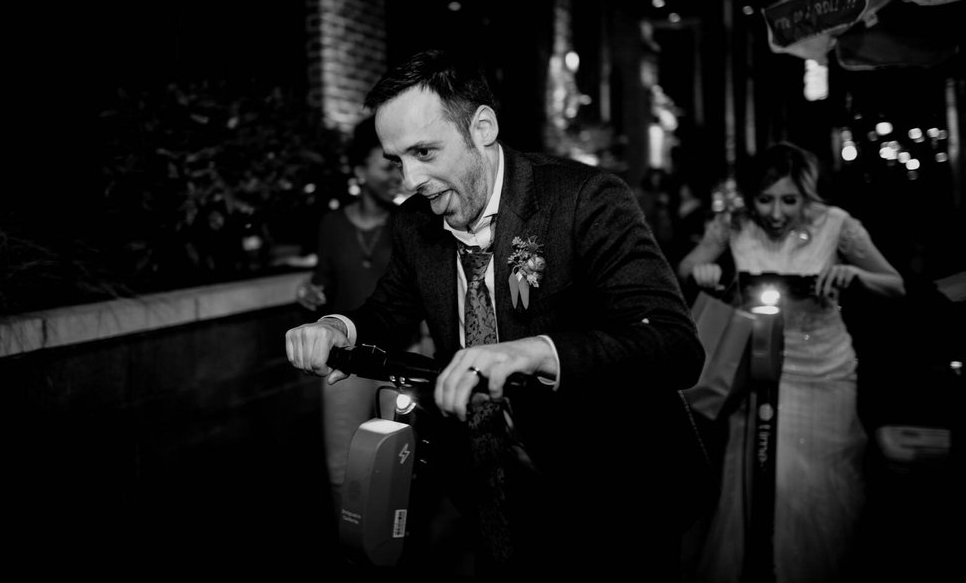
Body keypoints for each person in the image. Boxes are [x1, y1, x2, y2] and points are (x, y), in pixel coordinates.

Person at [285, 49, 707, 578]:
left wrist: (534, 352)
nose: (409, 180)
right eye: (397, 161)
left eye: (424, 152)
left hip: (613, 487)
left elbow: (674, 346)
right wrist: (335, 327)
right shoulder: (416, 225)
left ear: (482, 127)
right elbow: (386, 312)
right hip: (491, 486)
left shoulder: (585, 199)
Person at [676, 141, 906, 583]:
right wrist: (702, 272)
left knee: (815, 484)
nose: (777, 213)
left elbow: (894, 284)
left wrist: (853, 274)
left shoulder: (837, 224)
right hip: (757, 367)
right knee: (763, 478)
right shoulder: (734, 223)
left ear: (807, 193)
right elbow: (687, 266)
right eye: (765, 199)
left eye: (789, 200)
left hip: (825, 367)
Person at [294, 117, 409, 517]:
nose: (397, 174)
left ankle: (397, 546)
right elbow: (322, 280)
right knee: (343, 465)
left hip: (399, 358)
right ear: (359, 172)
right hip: (346, 360)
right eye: (386, 165)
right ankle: (354, 548)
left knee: (400, 467)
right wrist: (310, 293)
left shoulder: (407, 223)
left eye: (399, 165)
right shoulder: (332, 224)